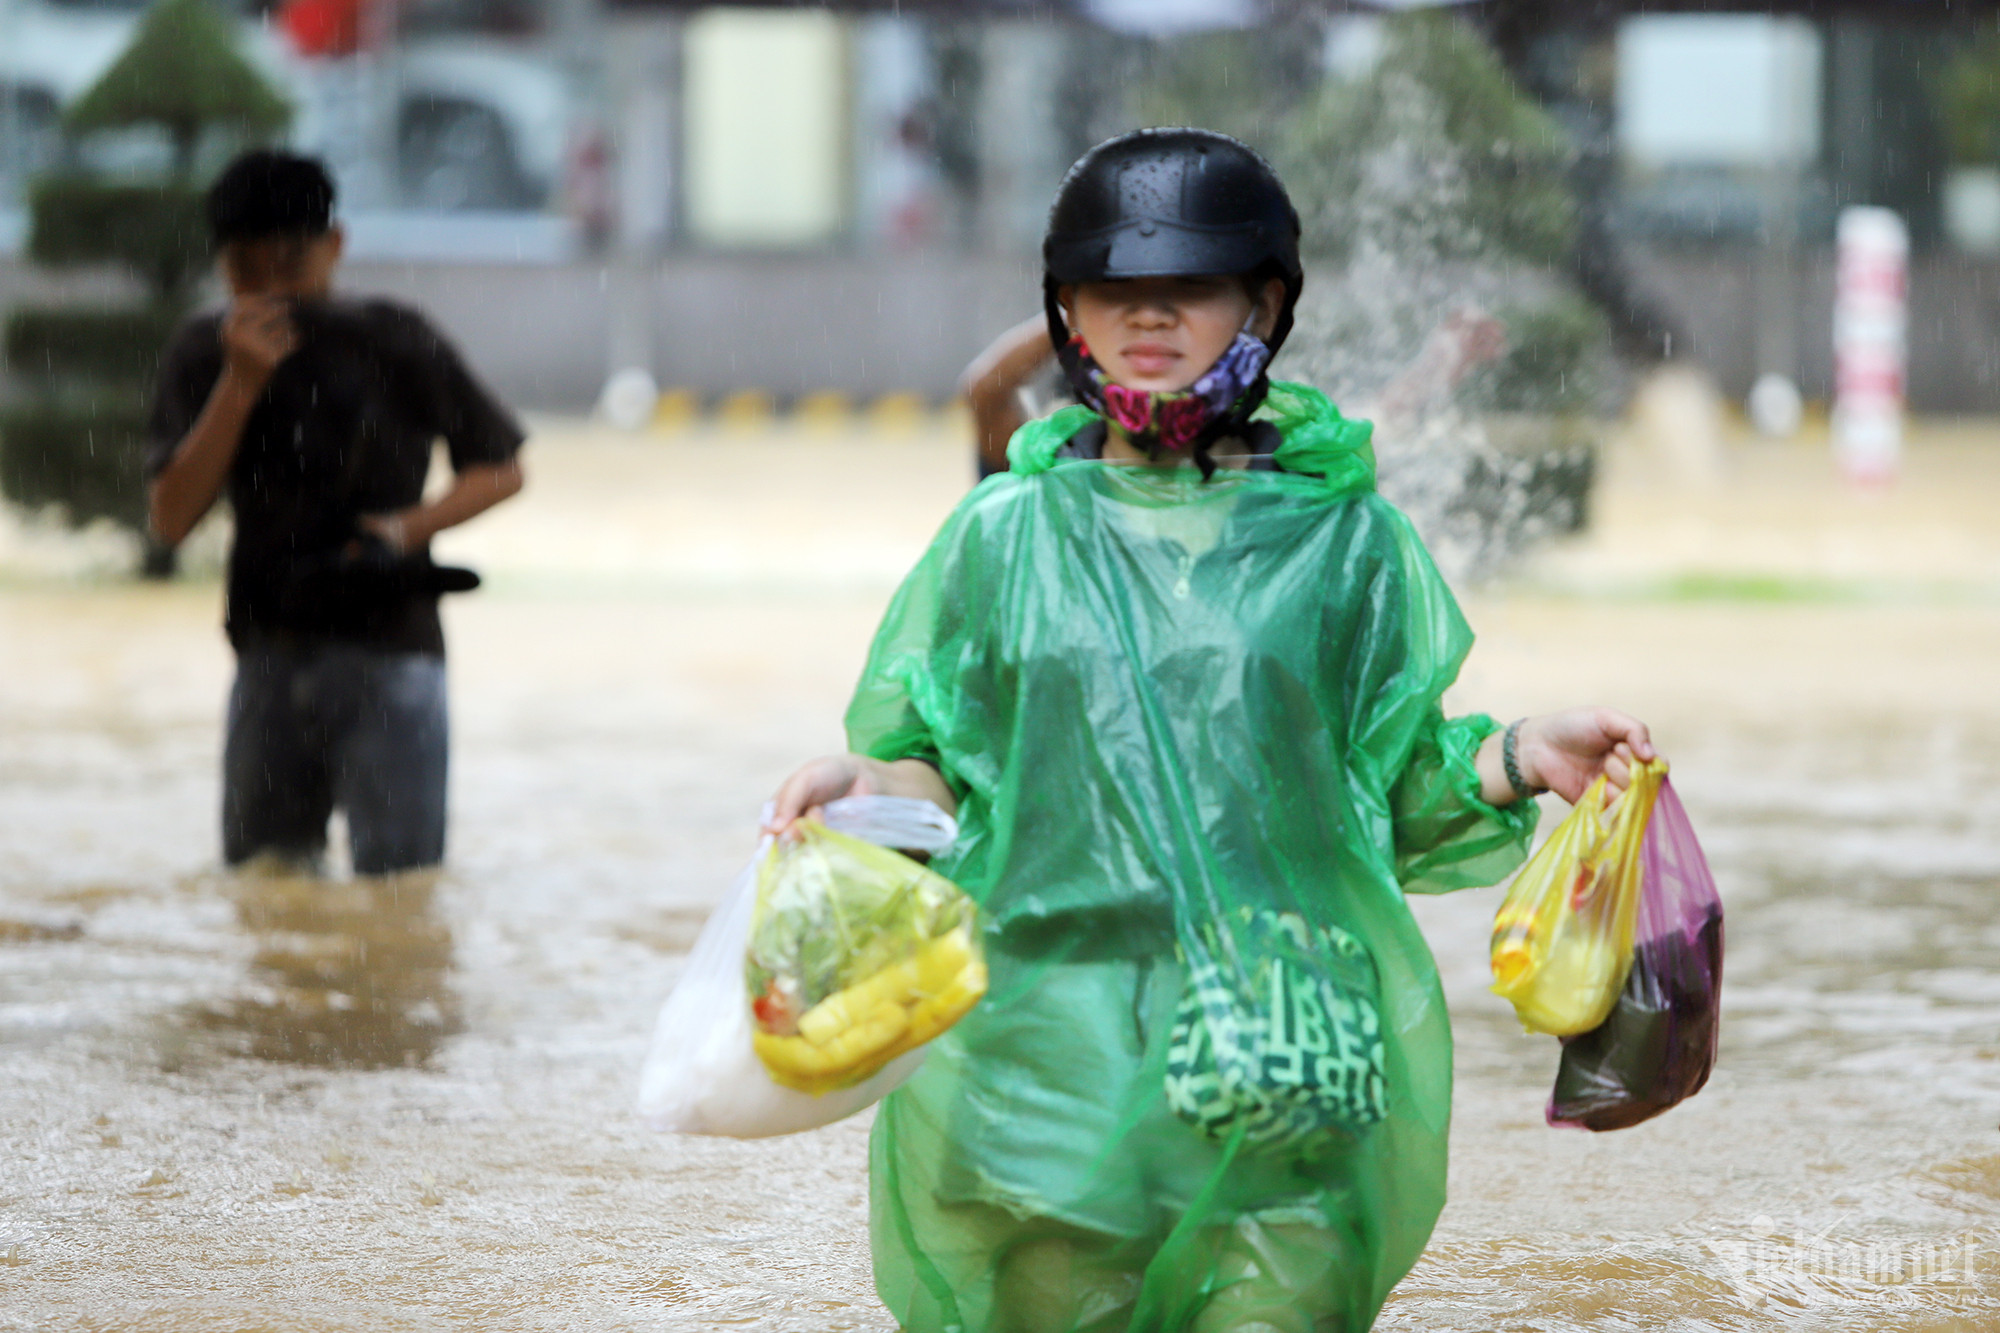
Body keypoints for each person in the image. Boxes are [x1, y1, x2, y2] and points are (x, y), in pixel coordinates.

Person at [767, 128, 1656, 1333]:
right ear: (1066, 313)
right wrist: (855, 785)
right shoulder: (1001, 537)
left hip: (1281, 1035)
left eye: (1185, 287)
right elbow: (948, 778)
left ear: (1262, 302)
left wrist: (1515, 756)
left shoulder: (1348, 543)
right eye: (1114, 290)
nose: (1148, 316)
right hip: (1050, 1052)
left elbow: (1380, 795)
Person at [148, 150, 526, 877]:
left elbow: (502, 468)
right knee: (266, 885)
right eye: (246, 270)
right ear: (222, 265)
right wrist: (241, 383)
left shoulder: (394, 337)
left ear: (335, 246)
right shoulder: (204, 351)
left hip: (393, 651)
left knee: (402, 888)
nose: (271, 289)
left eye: (290, 264)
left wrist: (405, 530)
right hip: (267, 650)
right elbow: (170, 517)